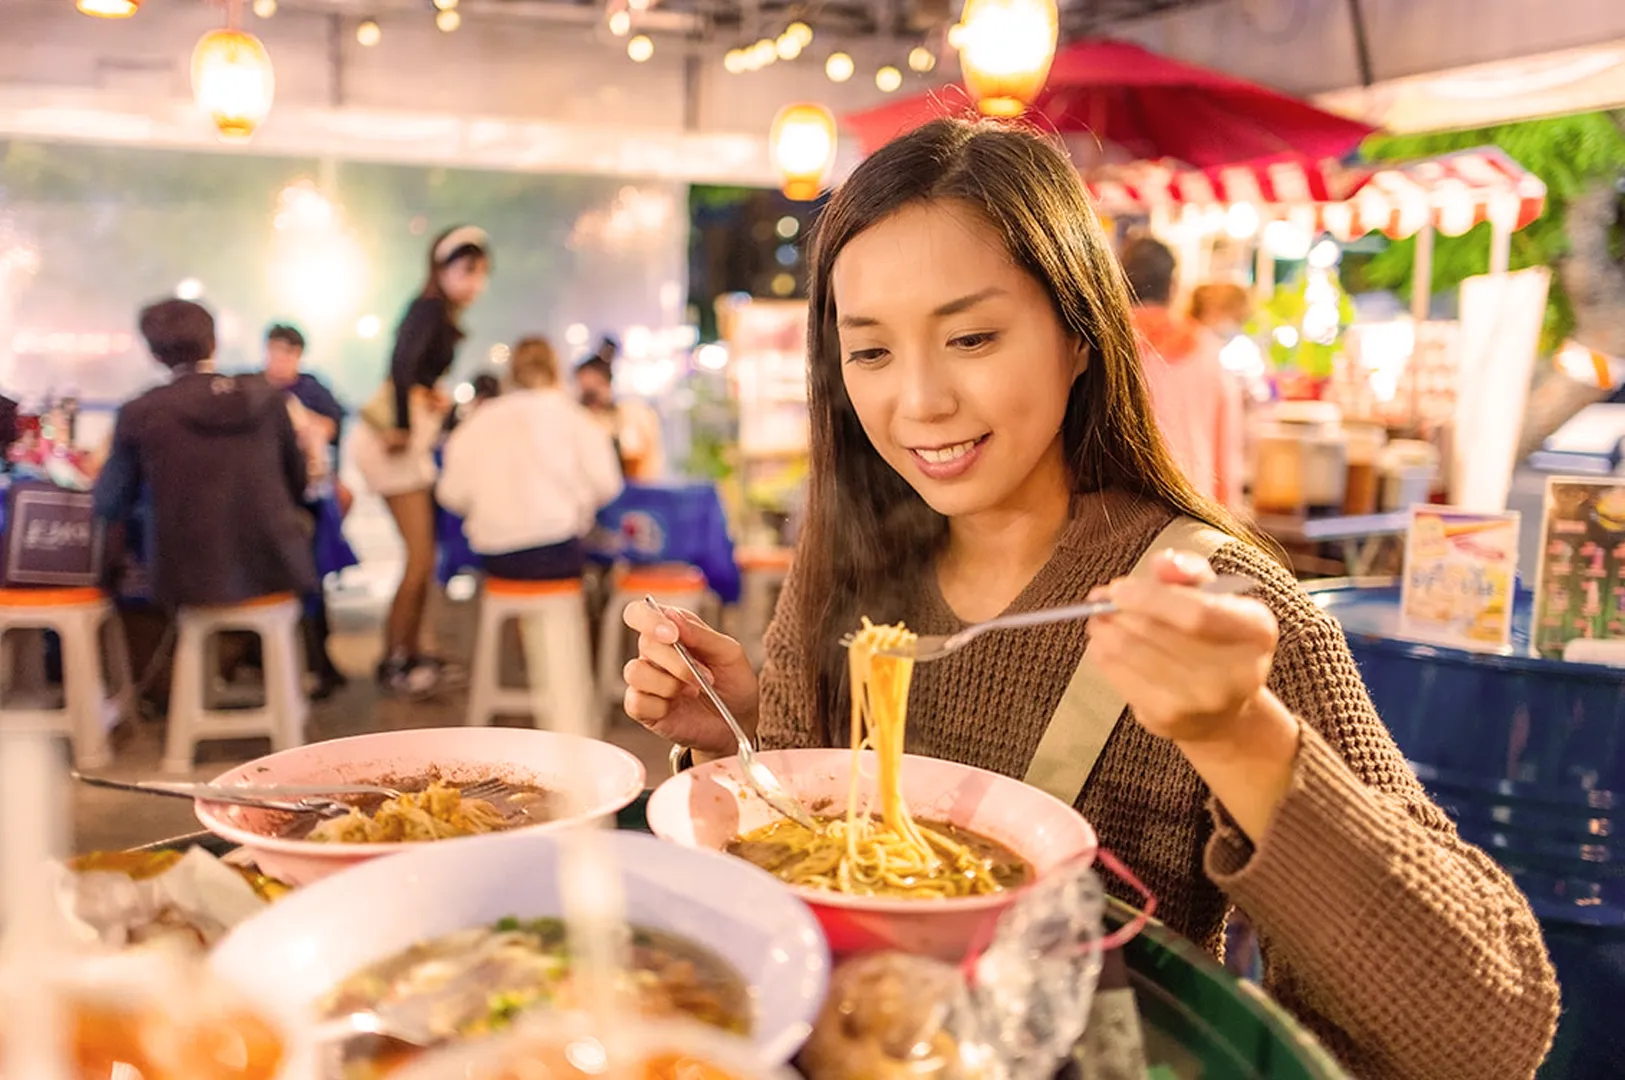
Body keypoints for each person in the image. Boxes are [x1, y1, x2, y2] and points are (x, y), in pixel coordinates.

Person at [621, 120, 1557, 1080]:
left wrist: (1237, 734)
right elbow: (808, 883)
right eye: (870, 353)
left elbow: (1486, 1028)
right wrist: (736, 733)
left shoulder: (1209, 603)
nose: (919, 401)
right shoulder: (846, 574)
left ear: (1078, 336)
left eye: (972, 337)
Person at [94, 299, 314, 611]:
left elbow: (109, 503)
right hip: (278, 568)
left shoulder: (140, 412)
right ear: (214, 344)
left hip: (186, 580)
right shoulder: (269, 400)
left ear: (154, 355)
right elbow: (298, 482)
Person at [350, 226, 490, 696]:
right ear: (442, 268)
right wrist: (403, 426)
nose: (475, 282)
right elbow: (400, 365)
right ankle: (395, 658)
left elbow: (414, 373)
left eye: (481, 273)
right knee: (419, 557)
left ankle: (410, 652)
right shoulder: (427, 308)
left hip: (407, 444)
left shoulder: (437, 312)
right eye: (467, 271)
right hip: (394, 447)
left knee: (423, 558)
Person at [438, 337, 621, 580]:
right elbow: (607, 484)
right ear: (556, 369)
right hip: (557, 546)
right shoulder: (574, 417)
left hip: (496, 554)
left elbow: (450, 493)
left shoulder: (480, 420)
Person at [1121, 238, 1244, 510]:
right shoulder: (1207, 349)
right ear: (1173, 286)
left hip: (1118, 512)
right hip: (1194, 509)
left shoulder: (1104, 347)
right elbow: (1227, 453)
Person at [263, 322, 350, 698]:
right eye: (274, 351)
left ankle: (319, 664)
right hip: (269, 501)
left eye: (287, 352)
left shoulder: (312, 391)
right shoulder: (253, 389)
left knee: (311, 583)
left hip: (307, 500)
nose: (279, 360)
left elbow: (332, 429)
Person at [576, 355, 665, 481]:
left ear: (607, 385)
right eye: (586, 393)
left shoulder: (633, 415)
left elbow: (650, 466)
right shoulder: (576, 425)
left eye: (596, 387)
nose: (592, 399)